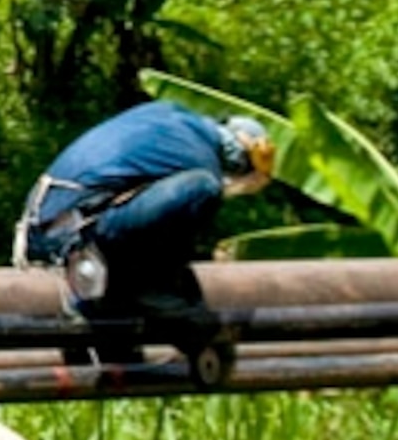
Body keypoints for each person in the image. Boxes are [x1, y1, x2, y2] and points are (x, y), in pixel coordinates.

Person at [14, 103, 273, 343]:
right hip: (72, 238)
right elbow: (173, 234)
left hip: (40, 226)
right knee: (204, 188)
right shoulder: (203, 159)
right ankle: (140, 289)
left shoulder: (169, 115)